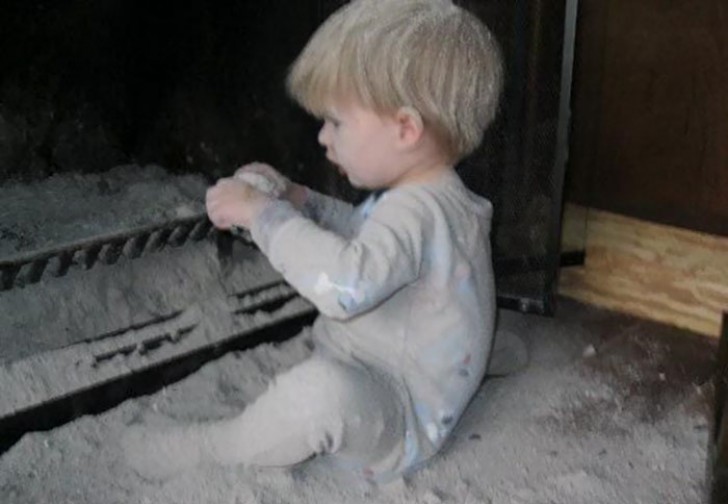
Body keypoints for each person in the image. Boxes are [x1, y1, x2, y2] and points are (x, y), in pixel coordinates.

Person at [123, 0, 507, 483]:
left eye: (337, 122)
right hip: (427, 375)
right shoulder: (441, 198)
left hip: (398, 410)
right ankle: (481, 357)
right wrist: (300, 200)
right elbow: (368, 238)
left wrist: (263, 215)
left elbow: (345, 286)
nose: (324, 138)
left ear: (406, 129)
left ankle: (211, 448)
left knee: (319, 397)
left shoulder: (413, 213)